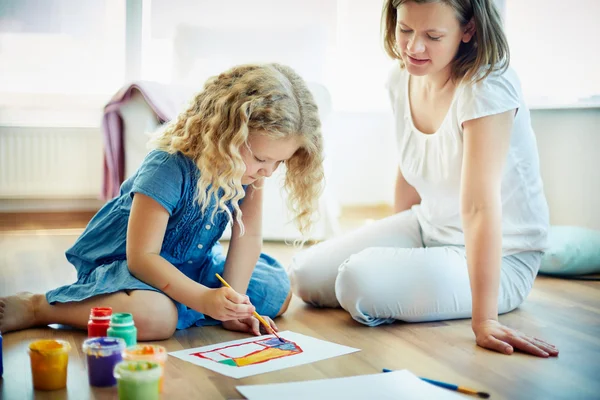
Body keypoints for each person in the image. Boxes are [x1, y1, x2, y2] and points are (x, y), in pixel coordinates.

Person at [289, 0, 559, 358]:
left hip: (503, 257)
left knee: (357, 282)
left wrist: (486, 320)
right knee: (306, 275)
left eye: (433, 35)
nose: (414, 48)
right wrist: (391, 252)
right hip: (428, 227)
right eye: (405, 30)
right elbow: (410, 169)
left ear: (468, 30)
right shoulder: (400, 78)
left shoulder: (487, 85)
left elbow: (480, 206)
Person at [0, 63, 324, 340]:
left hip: (190, 265)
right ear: (227, 134)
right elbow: (142, 258)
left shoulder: (251, 173)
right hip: (130, 266)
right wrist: (203, 299)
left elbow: (248, 237)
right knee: (156, 318)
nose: (267, 172)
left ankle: (195, 305)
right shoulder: (168, 165)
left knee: (278, 293)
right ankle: (40, 306)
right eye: (261, 158)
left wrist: (231, 305)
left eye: (278, 163)